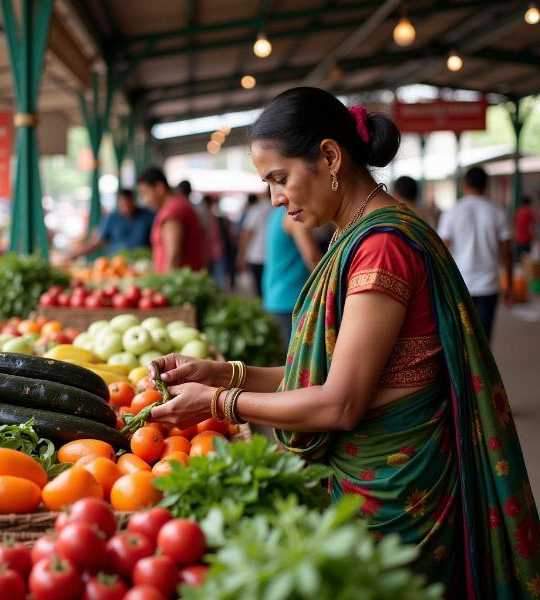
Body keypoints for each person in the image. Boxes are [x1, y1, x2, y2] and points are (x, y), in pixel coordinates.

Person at [147, 87, 540, 598]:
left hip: (399, 497)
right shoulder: (349, 235)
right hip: (370, 480)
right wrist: (222, 373)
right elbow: (318, 379)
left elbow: (341, 403)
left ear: (330, 157)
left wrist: (223, 404)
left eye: (280, 179)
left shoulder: (380, 250)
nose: (274, 198)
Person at [437, 167, 513, 342]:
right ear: (486, 186)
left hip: (459, 284)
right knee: (483, 341)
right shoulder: (498, 212)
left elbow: (441, 251)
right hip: (489, 285)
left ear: (464, 184)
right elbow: (507, 253)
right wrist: (508, 285)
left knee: (461, 341)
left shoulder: (452, 213)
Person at [263, 206, 322, 345]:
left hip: (276, 294)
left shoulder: (277, 213)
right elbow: (312, 257)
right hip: (291, 298)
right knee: (295, 359)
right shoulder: (292, 216)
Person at [137, 167, 204, 273]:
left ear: (159, 188)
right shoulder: (177, 205)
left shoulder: (173, 211)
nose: (145, 200)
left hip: (179, 285)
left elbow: (173, 256)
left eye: (145, 193)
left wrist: (166, 285)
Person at [67, 188, 154, 259]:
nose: (126, 208)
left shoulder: (148, 215)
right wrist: (73, 255)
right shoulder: (111, 218)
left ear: (134, 201)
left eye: (129, 204)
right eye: (123, 205)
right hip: (116, 262)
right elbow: (98, 242)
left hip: (144, 261)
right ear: (118, 204)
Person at [237, 194, 270, 296]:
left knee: (259, 291)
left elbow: (247, 234)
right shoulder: (279, 209)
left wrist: (240, 255)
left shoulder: (255, 210)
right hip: (273, 257)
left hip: (256, 256)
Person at [514, 196, 535, 261]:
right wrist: (534, 238)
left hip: (518, 240)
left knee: (518, 261)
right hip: (526, 240)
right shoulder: (529, 213)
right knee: (526, 260)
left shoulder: (518, 212)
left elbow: (515, 226)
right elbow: (531, 227)